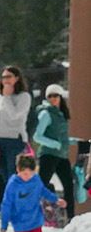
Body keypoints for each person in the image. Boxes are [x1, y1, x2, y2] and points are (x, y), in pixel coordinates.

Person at [0, 65, 32, 209]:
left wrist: (7, 97)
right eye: (3, 78)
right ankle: (2, 206)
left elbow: (16, 115)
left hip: (15, 138)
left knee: (12, 173)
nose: (5, 81)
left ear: (17, 78)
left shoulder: (24, 97)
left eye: (9, 77)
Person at [35, 84, 75, 221]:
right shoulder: (46, 113)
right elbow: (37, 136)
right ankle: (33, 215)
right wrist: (55, 144)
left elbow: (62, 137)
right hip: (48, 154)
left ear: (60, 97)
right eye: (50, 96)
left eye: (55, 95)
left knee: (69, 185)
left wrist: (76, 141)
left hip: (61, 155)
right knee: (42, 185)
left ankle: (71, 218)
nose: (53, 98)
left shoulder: (62, 115)